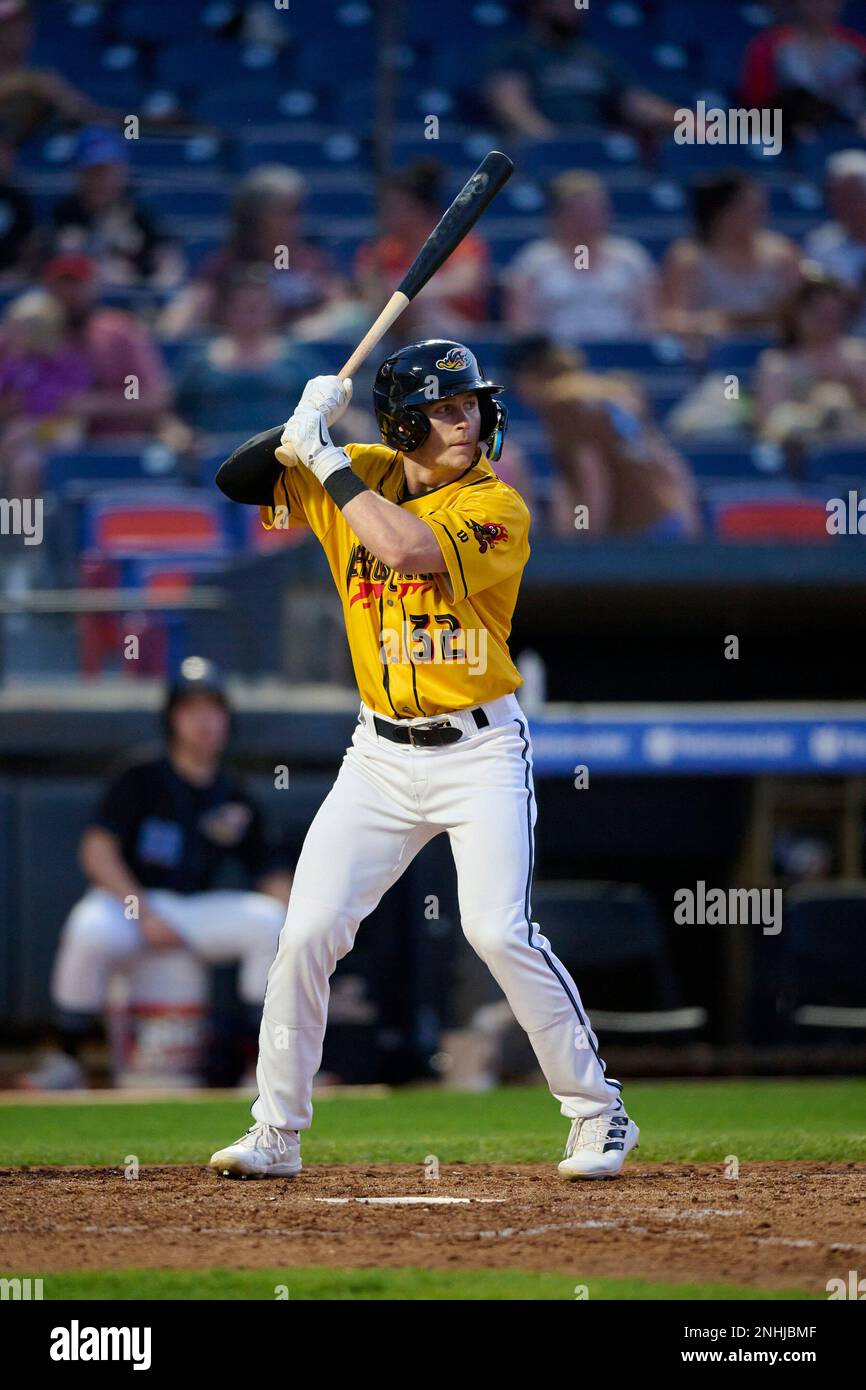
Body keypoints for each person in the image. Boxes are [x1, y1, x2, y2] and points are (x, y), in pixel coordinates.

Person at [211, 340, 639, 1181]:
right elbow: (239, 479)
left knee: (495, 931)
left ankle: (599, 1112)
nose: (468, 421)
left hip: (479, 749)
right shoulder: (360, 462)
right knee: (303, 934)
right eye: (446, 410)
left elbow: (404, 548)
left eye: (472, 404)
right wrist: (302, 420)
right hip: (377, 753)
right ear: (403, 424)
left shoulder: (497, 507)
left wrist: (324, 454)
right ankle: (277, 1131)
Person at [20, 658, 293, 1091]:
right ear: (173, 718)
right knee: (89, 928)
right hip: (132, 903)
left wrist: (305, 926)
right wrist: (142, 911)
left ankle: (261, 1065)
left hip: (193, 911)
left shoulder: (235, 794)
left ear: (226, 719)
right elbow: (97, 851)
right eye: (191, 710)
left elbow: (272, 872)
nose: (204, 721)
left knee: (271, 923)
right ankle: (67, 1057)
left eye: (213, 709)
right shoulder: (139, 776)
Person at [506, 335, 701, 539]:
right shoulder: (613, 392)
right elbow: (667, 461)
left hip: (636, 528)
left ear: (528, 376)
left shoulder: (561, 403)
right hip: (669, 518)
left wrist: (590, 539)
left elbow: (591, 470)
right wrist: (689, 522)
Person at [159, 165, 340, 339]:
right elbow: (181, 318)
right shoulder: (227, 264)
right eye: (285, 212)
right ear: (256, 217)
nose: (295, 220)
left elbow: (344, 310)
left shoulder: (312, 262)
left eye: (297, 211)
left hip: (300, 361)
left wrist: (313, 327)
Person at [504, 170, 659, 341]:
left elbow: (649, 325)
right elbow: (521, 328)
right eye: (581, 209)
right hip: (558, 360)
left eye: (596, 208)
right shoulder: (533, 262)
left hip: (621, 359)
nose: (590, 216)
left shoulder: (631, 258)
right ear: (560, 213)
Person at [484, 0, 677, 138]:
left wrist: (694, 126)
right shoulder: (516, 52)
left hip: (594, 151)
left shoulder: (596, 58)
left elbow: (636, 103)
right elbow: (510, 106)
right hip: (545, 154)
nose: (576, 6)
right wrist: (558, 144)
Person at [174, 266, 327, 439]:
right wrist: (180, 436)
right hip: (216, 461)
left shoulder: (297, 360)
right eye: (244, 307)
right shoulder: (200, 362)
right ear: (227, 310)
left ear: (272, 310)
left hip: (282, 457)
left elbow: (325, 407)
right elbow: (171, 415)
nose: (251, 315)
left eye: (258, 307)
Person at [42, 253, 174, 439]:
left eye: (76, 284)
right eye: (62, 285)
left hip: (118, 444)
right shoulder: (35, 338)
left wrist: (92, 405)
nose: (69, 293)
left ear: (92, 287)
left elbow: (143, 397)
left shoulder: (118, 335)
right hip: (51, 444)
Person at [355, 160, 490, 339]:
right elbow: (372, 297)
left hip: (456, 332)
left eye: (395, 207)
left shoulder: (460, 243)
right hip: (394, 333)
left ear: (419, 209)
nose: (386, 216)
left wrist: (406, 294)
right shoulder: (379, 251)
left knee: (427, 309)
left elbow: (465, 285)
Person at [661, 172, 802, 342]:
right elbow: (673, 318)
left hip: (777, 350)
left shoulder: (782, 253)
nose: (758, 216)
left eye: (760, 209)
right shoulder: (688, 257)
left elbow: (801, 310)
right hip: (714, 349)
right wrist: (711, 322)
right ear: (719, 212)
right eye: (748, 209)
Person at [50, 126, 182, 287]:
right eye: (93, 172)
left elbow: (169, 261)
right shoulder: (64, 214)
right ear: (78, 173)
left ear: (122, 171)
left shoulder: (139, 210)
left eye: (108, 171)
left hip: (136, 301)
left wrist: (148, 284)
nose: (101, 180)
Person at [754, 266, 866, 445]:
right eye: (814, 310)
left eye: (830, 312)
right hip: (800, 449)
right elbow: (769, 423)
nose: (824, 318)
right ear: (793, 314)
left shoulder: (860, 356)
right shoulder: (777, 363)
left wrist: (854, 387)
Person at [0, 287, 90, 495]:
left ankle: (23, 528)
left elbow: (73, 415)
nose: (21, 334)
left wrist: (34, 429)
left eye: (31, 327)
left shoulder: (71, 364)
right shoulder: (16, 363)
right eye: (18, 327)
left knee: (26, 465)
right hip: (17, 437)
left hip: (60, 435)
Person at [739, 0, 866, 141]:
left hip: (851, 134)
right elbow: (756, 104)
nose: (822, 5)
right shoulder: (768, 46)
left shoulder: (859, 47)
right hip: (787, 138)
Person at [803, 149, 866, 336]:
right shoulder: (819, 244)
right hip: (838, 343)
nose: (842, 203)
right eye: (835, 194)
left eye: (852, 194)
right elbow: (813, 301)